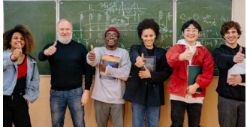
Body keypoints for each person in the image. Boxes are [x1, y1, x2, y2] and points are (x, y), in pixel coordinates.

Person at [38, 19, 92, 127]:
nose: (65, 31)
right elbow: (40, 57)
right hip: (56, 94)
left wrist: (86, 91)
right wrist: (45, 52)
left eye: (67, 29)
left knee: (79, 124)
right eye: (62, 29)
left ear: (71, 31)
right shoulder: (51, 47)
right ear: (57, 31)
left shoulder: (80, 48)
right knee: (56, 124)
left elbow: (88, 70)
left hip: (76, 92)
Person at [123, 18, 172, 127]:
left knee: (153, 124)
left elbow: (167, 71)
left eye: (151, 35)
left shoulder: (162, 52)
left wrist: (150, 75)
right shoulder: (136, 48)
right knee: (137, 123)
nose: (148, 38)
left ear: (155, 35)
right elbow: (134, 55)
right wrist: (138, 60)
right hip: (138, 92)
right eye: (145, 36)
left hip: (155, 94)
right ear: (141, 36)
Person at [166, 19, 214, 127]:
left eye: (194, 30)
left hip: (197, 95)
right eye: (187, 30)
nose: (191, 33)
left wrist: (196, 85)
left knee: (195, 125)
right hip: (177, 94)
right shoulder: (176, 48)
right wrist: (180, 57)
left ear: (199, 33)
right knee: (176, 124)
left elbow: (208, 72)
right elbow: (170, 61)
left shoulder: (204, 52)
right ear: (183, 32)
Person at [87, 27, 131, 127]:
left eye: (114, 35)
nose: (111, 37)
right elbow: (93, 59)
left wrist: (107, 69)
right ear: (105, 38)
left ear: (118, 39)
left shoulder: (123, 53)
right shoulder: (99, 51)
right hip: (100, 98)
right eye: (108, 35)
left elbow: (125, 74)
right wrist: (91, 56)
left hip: (118, 99)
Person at [3, 24, 40, 127]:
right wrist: (12, 58)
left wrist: (27, 97)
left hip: (20, 100)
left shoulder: (31, 61)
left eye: (22, 39)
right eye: (15, 38)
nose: (19, 40)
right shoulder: (3, 56)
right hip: (3, 100)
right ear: (10, 41)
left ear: (25, 42)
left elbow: (35, 81)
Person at [213, 21, 245, 127]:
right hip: (227, 100)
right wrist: (234, 59)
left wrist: (242, 78)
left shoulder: (245, 51)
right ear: (223, 35)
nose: (230, 35)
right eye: (227, 32)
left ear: (238, 34)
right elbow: (222, 61)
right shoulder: (218, 51)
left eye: (233, 32)